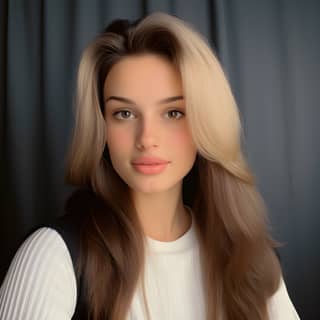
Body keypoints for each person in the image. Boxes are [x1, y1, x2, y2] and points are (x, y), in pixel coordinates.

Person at [0, 12, 300, 320]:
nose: (147, 139)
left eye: (172, 113)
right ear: (101, 128)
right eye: (125, 114)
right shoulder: (53, 255)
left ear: (206, 122)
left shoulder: (251, 260)